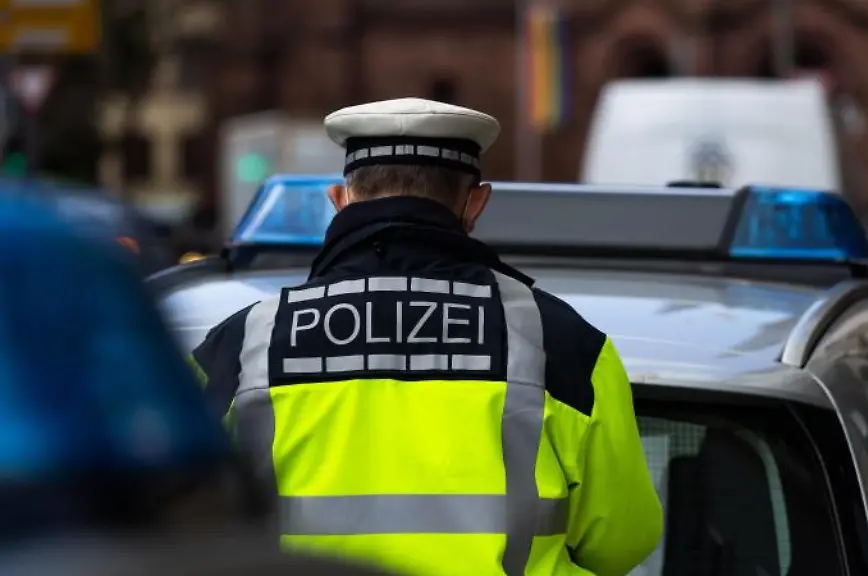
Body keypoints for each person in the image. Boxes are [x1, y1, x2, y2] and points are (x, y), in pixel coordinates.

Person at [190, 98, 663, 576]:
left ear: (339, 199)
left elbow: (179, 524)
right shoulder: (563, 343)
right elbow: (622, 542)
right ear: (476, 203)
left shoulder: (244, 344)